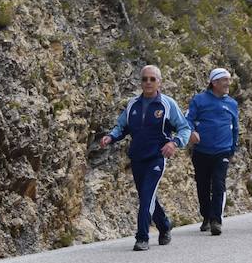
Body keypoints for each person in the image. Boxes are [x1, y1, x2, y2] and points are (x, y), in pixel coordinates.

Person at [100, 65, 193, 251]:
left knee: (147, 196)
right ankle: (165, 225)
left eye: (152, 79)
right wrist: (111, 137)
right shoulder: (133, 104)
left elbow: (184, 128)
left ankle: (142, 237)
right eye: (145, 79)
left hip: (156, 157)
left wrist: (174, 143)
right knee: (146, 196)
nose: (148, 82)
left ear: (159, 82)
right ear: (140, 82)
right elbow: (122, 126)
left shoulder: (167, 105)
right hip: (137, 157)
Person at [186, 67, 240, 236]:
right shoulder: (199, 100)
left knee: (218, 184)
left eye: (229, 80)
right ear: (214, 82)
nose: (228, 83)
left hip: (222, 151)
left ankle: (216, 220)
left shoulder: (231, 103)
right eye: (224, 80)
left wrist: (233, 148)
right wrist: (191, 132)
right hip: (201, 151)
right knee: (202, 185)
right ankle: (206, 216)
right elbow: (187, 120)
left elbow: (235, 127)